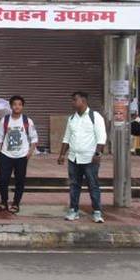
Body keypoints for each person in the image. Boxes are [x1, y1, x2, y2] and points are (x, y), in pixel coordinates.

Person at [59, 91, 108, 223]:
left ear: (84, 101)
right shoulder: (71, 119)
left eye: (75, 100)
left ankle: (97, 212)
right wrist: (62, 155)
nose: (73, 102)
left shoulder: (95, 117)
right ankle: (73, 210)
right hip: (73, 158)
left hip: (90, 159)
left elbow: (101, 137)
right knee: (74, 185)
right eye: (72, 100)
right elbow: (67, 138)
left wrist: (98, 153)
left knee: (93, 185)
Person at [0, 95, 38, 214]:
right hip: (5, 155)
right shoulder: (5, 120)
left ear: (22, 106)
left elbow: (34, 139)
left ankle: (16, 203)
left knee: (20, 180)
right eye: (14, 104)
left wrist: (29, 153)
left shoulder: (27, 121)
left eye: (19, 104)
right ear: (11, 106)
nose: (17, 106)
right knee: (3, 180)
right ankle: (3, 202)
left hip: (22, 156)